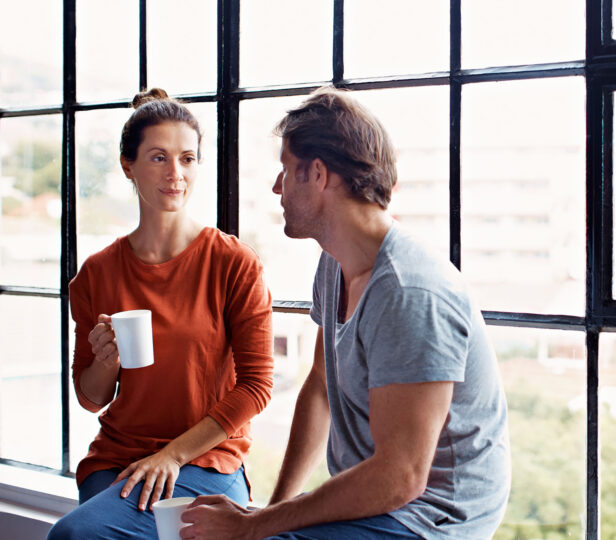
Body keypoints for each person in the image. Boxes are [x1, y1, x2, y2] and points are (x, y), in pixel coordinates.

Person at [180, 87, 511, 539]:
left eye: (285, 170)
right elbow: (320, 387)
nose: (277, 187)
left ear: (317, 174)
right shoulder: (335, 262)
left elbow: (401, 477)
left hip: (431, 519)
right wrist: (265, 516)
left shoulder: (410, 291)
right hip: (383, 503)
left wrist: (254, 529)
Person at [48, 88, 275, 539]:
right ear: (127, 165)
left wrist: (171, 455)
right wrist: (106, 360)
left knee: (73, 536)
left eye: (187, 159)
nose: (176, 174)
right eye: (158, 158)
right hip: (116, 457)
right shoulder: (96, 273)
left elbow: (257, 386)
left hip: (202, 457)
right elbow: (91, 397)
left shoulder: (234, 263)